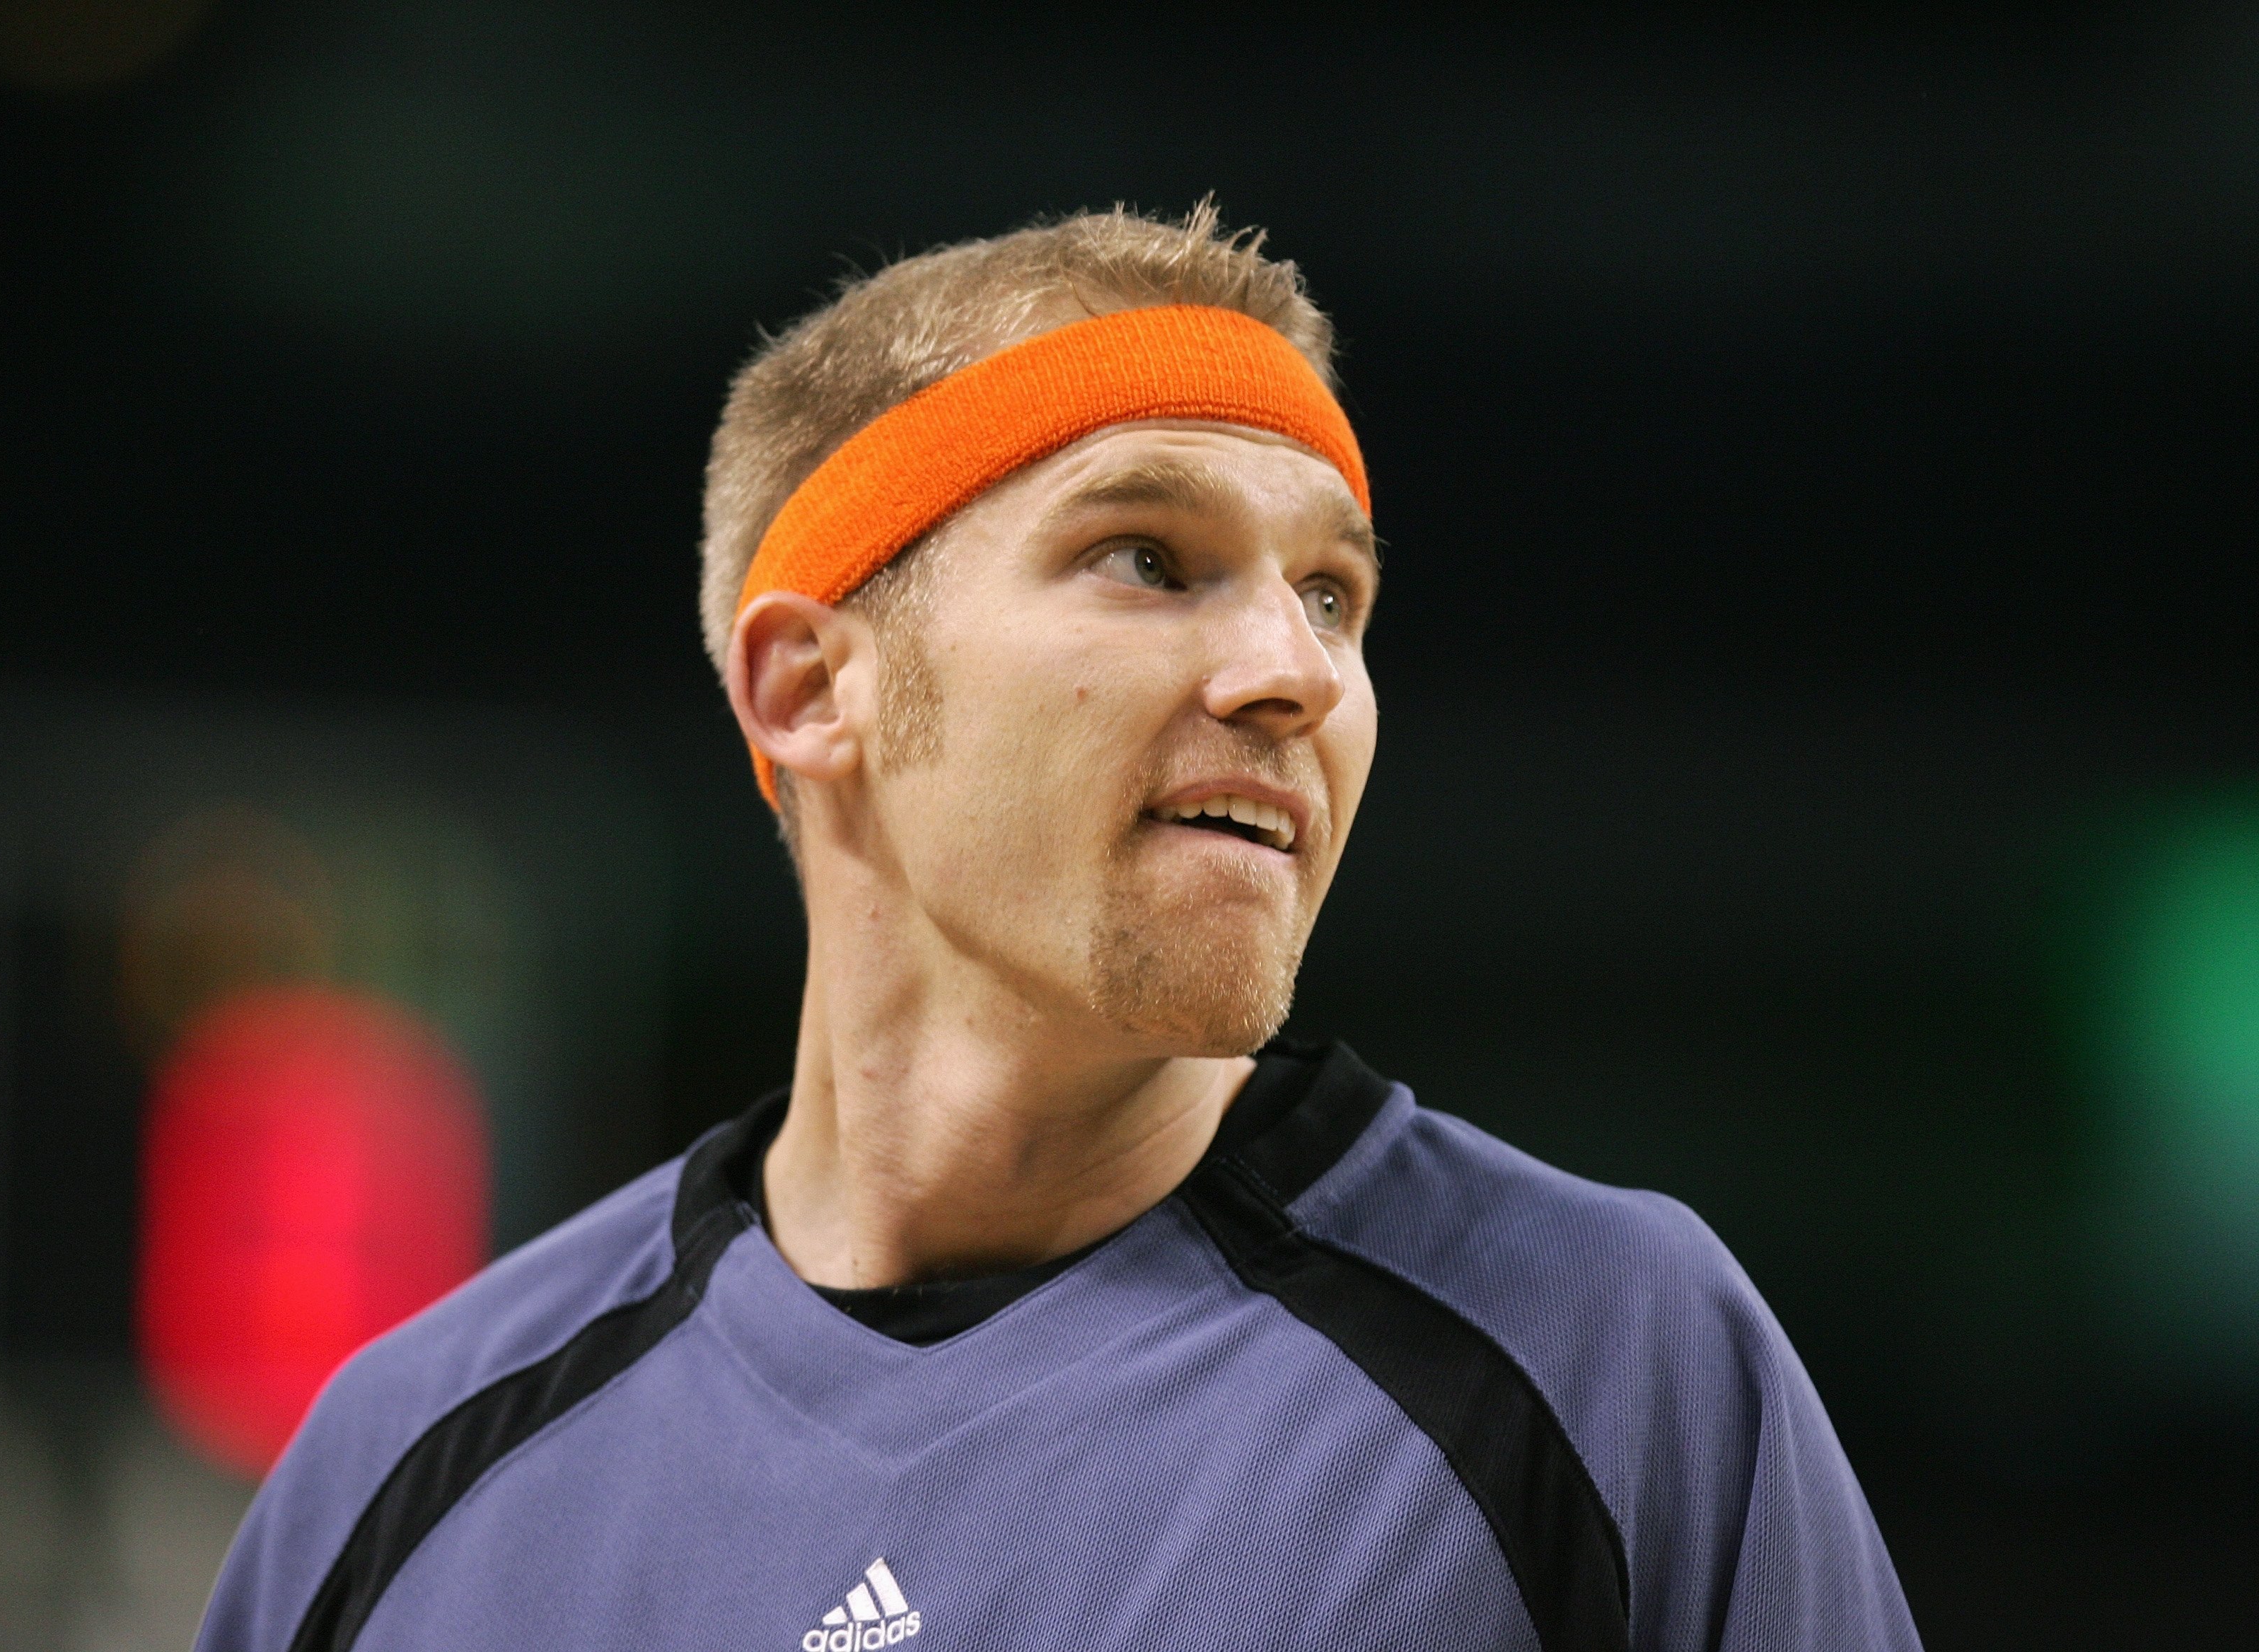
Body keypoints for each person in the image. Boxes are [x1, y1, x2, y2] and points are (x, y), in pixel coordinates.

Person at [194, 205, 1920, 1652]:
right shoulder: (403, 1467)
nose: (1298, 672)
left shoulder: (1603, 1361)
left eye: (1334, 594)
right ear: (808, 688)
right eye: (1149, 557)